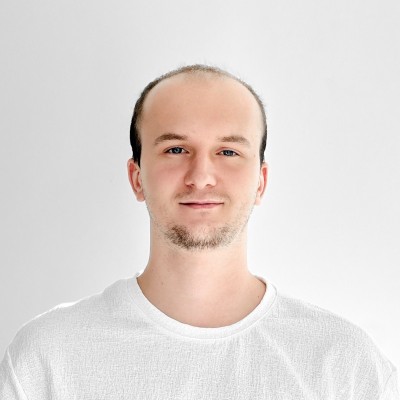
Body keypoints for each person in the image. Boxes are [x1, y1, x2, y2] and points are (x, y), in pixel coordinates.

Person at [0, 64, 398, 399]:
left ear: (260, 182)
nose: (201, 176)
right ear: (137, 178)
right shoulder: (48, 358)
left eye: (228, 152)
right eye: (175, 149)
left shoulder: (345, 366)